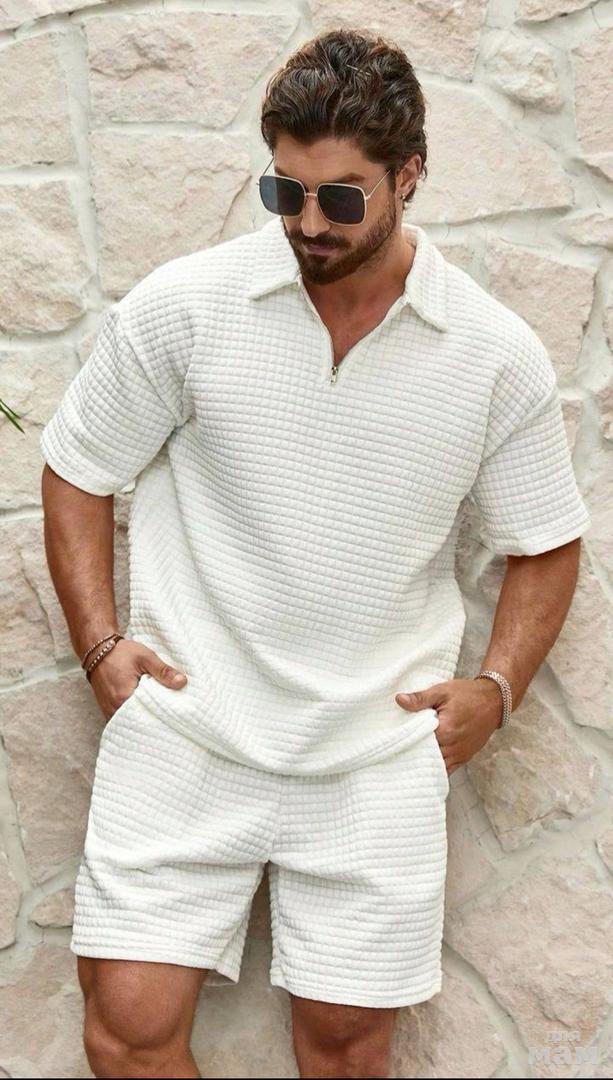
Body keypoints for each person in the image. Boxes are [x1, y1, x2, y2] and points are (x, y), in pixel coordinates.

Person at [39, 26, 591, 1080]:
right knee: (125, 1032)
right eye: (283, 191)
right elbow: (76, 465)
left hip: (371, 756)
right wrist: (101, 645)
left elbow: (546, 541)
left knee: (344, 1053)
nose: (307, 222)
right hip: (187, 731)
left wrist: (497, 687)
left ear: (409, 174)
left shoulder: (492, 353)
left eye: (340, 197)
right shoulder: (186, 306)